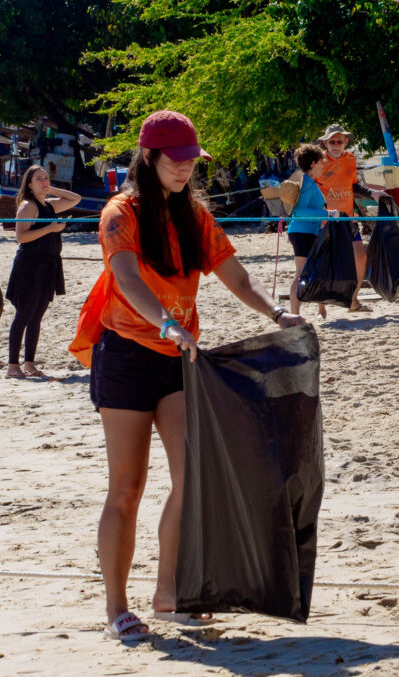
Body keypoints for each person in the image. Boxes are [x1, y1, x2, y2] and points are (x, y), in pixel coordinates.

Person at [89, 110, 305, 642]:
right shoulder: (121, 212)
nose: (186, 170)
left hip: (178, 356)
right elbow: (128, 278)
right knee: (128, 486)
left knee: (191, 479)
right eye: (177, 160)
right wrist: (164, 320)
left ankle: (169, 594)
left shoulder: (197, 215)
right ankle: (116, 607)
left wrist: (277, 314)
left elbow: (236, 275)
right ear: (151, 157)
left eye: (192, 161)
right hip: (125, 354)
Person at [5, 165, 81, 377]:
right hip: (30, 267)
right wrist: (50, 228)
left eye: (46, 178)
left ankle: (29, 363)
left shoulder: (49, 205)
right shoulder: (28, 206)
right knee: (24, 314)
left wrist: (53, 190)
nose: (44, 181)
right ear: (29, 184)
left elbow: (76, 199)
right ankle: (12, 365)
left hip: (48, 266)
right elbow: (21, 237)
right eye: (39, 179)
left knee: (37, 316)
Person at [316, 123, 388, 312]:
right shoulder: (318, 162)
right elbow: (309, 189)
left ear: (345, 142)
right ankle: (321, 302)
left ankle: (353, 301)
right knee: (326, 261)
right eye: (332, 141)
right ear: (325, 143)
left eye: (339, 141)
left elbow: (354, 187)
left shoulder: (350, 159)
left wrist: (373, 193)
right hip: (327, 221)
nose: (336, 144)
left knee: (360, 257)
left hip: (348, 219)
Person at [288, 143, 330, 320]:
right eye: (321, 162)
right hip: (302, 232)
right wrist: (326, 213)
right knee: (300, 273)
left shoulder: (308, 182)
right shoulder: (307, 182)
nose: (323, 166)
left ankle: (321, 310)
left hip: (307, 232)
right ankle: (294, 315)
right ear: (313, 163)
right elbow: (299, 211)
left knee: (316, 269)